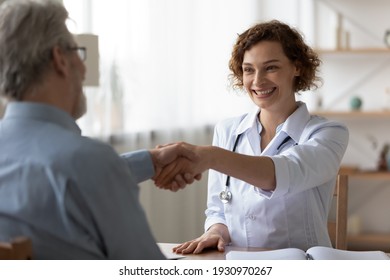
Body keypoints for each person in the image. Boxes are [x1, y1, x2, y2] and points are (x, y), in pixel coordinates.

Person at [0, 0, 198, 259]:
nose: (83, 68)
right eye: (77, 52)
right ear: (60, 59)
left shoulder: (79, 165)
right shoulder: (87, 161)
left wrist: (149, 162)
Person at [155, 20, 349, 254]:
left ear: (296, 67)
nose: (257, 81)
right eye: (249, 69)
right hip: (240, 265)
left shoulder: (328, 133)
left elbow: (283, 172)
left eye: (271, 67)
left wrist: (208, 156)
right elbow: (218, 208)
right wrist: (216, 230)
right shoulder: (227, 131)